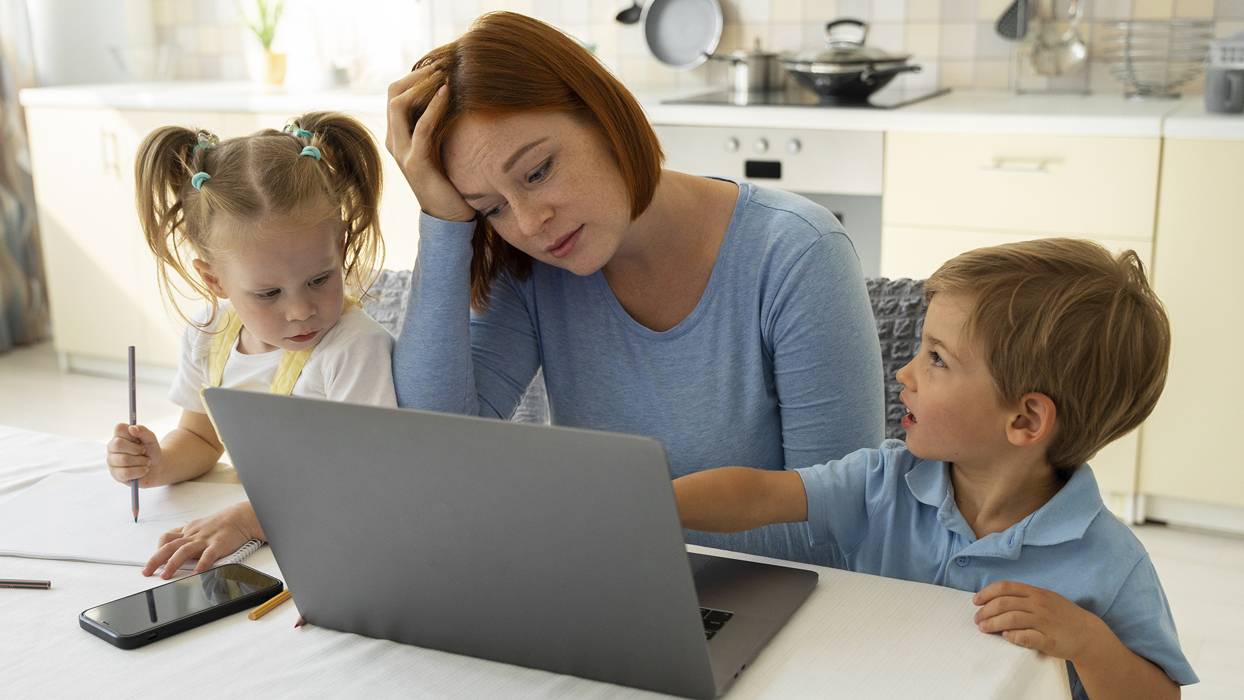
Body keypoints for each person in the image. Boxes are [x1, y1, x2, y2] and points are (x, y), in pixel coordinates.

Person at [385, 12, 884, 567]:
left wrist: (601, 525)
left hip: (775, 599)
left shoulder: (797, 253)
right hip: (606, 583)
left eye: (538, 171)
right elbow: (436, 448)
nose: (529, 223)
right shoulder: (529, 269)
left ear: (602, 115)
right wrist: (442, 221)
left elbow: (839, 527)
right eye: (492, 208)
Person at [673, 238, 1197, 700]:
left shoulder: (1110, 563)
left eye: (937, 359)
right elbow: (759, 495)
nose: (905, 372)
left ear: (1025, 420)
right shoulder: (882, 481)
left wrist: (1087, 641)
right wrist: (654, 503)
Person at [107, 112, 397, 578]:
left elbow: (365, 479)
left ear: (340, 245)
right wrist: (157, 464)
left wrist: (248, 520)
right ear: (214, 279)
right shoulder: (208, 335)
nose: (300, 310)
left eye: (319, 279)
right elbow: (202, 437)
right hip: (260, 541)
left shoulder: (355, 349)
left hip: (334, 544)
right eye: (268, 293)